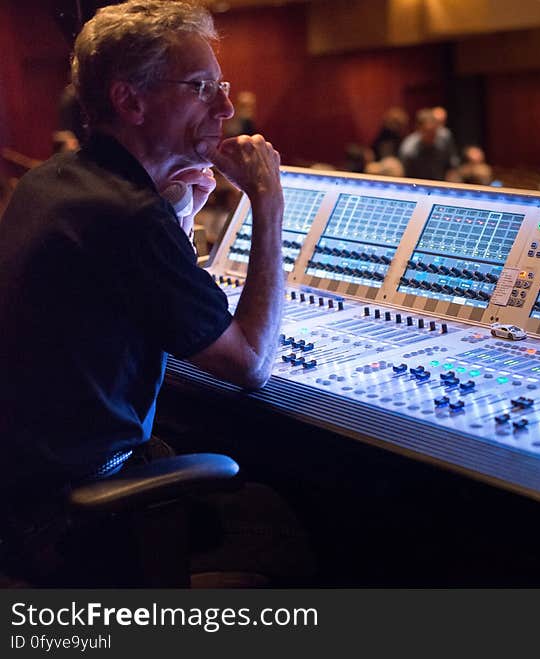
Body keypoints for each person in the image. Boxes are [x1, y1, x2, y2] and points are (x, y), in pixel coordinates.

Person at [0, 0, 311, 586]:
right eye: (200, 87)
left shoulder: (53, 181)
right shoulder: (129, 217)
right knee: (281, 529)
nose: (224, 107)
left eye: (221, 85)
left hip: (22, 497)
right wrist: (268, 206)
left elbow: (129, 288)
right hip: (73, 529)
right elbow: (250, 362)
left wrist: (177, 217)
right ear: (130, 101)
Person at [398, 107, 458, 181]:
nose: (432, 135)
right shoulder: (409, 149)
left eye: (434, 131)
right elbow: (406, 177)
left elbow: (452, 163)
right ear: (419, 129)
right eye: (428, 132)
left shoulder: (445, 137)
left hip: (442, 184)